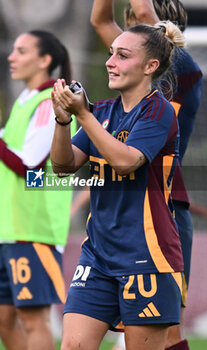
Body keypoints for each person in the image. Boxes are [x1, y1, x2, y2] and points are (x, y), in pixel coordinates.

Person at [51, 20, 186, 350]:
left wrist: (83, 116)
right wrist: (63, 120)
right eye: (111, 54)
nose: (111, 62)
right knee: (73, 346)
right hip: (97, 255)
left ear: (150, 66)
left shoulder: (159, 111)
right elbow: (62, 165)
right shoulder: (103, 112)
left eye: (122, 55)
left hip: (147, 257)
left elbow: (126, 161)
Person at [91, 1, 203, 350]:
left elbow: (140, 11)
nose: (115, 59)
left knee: (169, 330)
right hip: (122, 208)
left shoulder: (179, 67)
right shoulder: (132, 64)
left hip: (161, 206)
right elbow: (99, 19)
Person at [0, 30, 75, 350]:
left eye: (21, 51)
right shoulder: (26, 99)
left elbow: (28, 165)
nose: (11, 57)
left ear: (45, 60)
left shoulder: (50, 102)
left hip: (34, 229)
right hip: (10, 228)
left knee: (33, 319)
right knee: (4, 319)